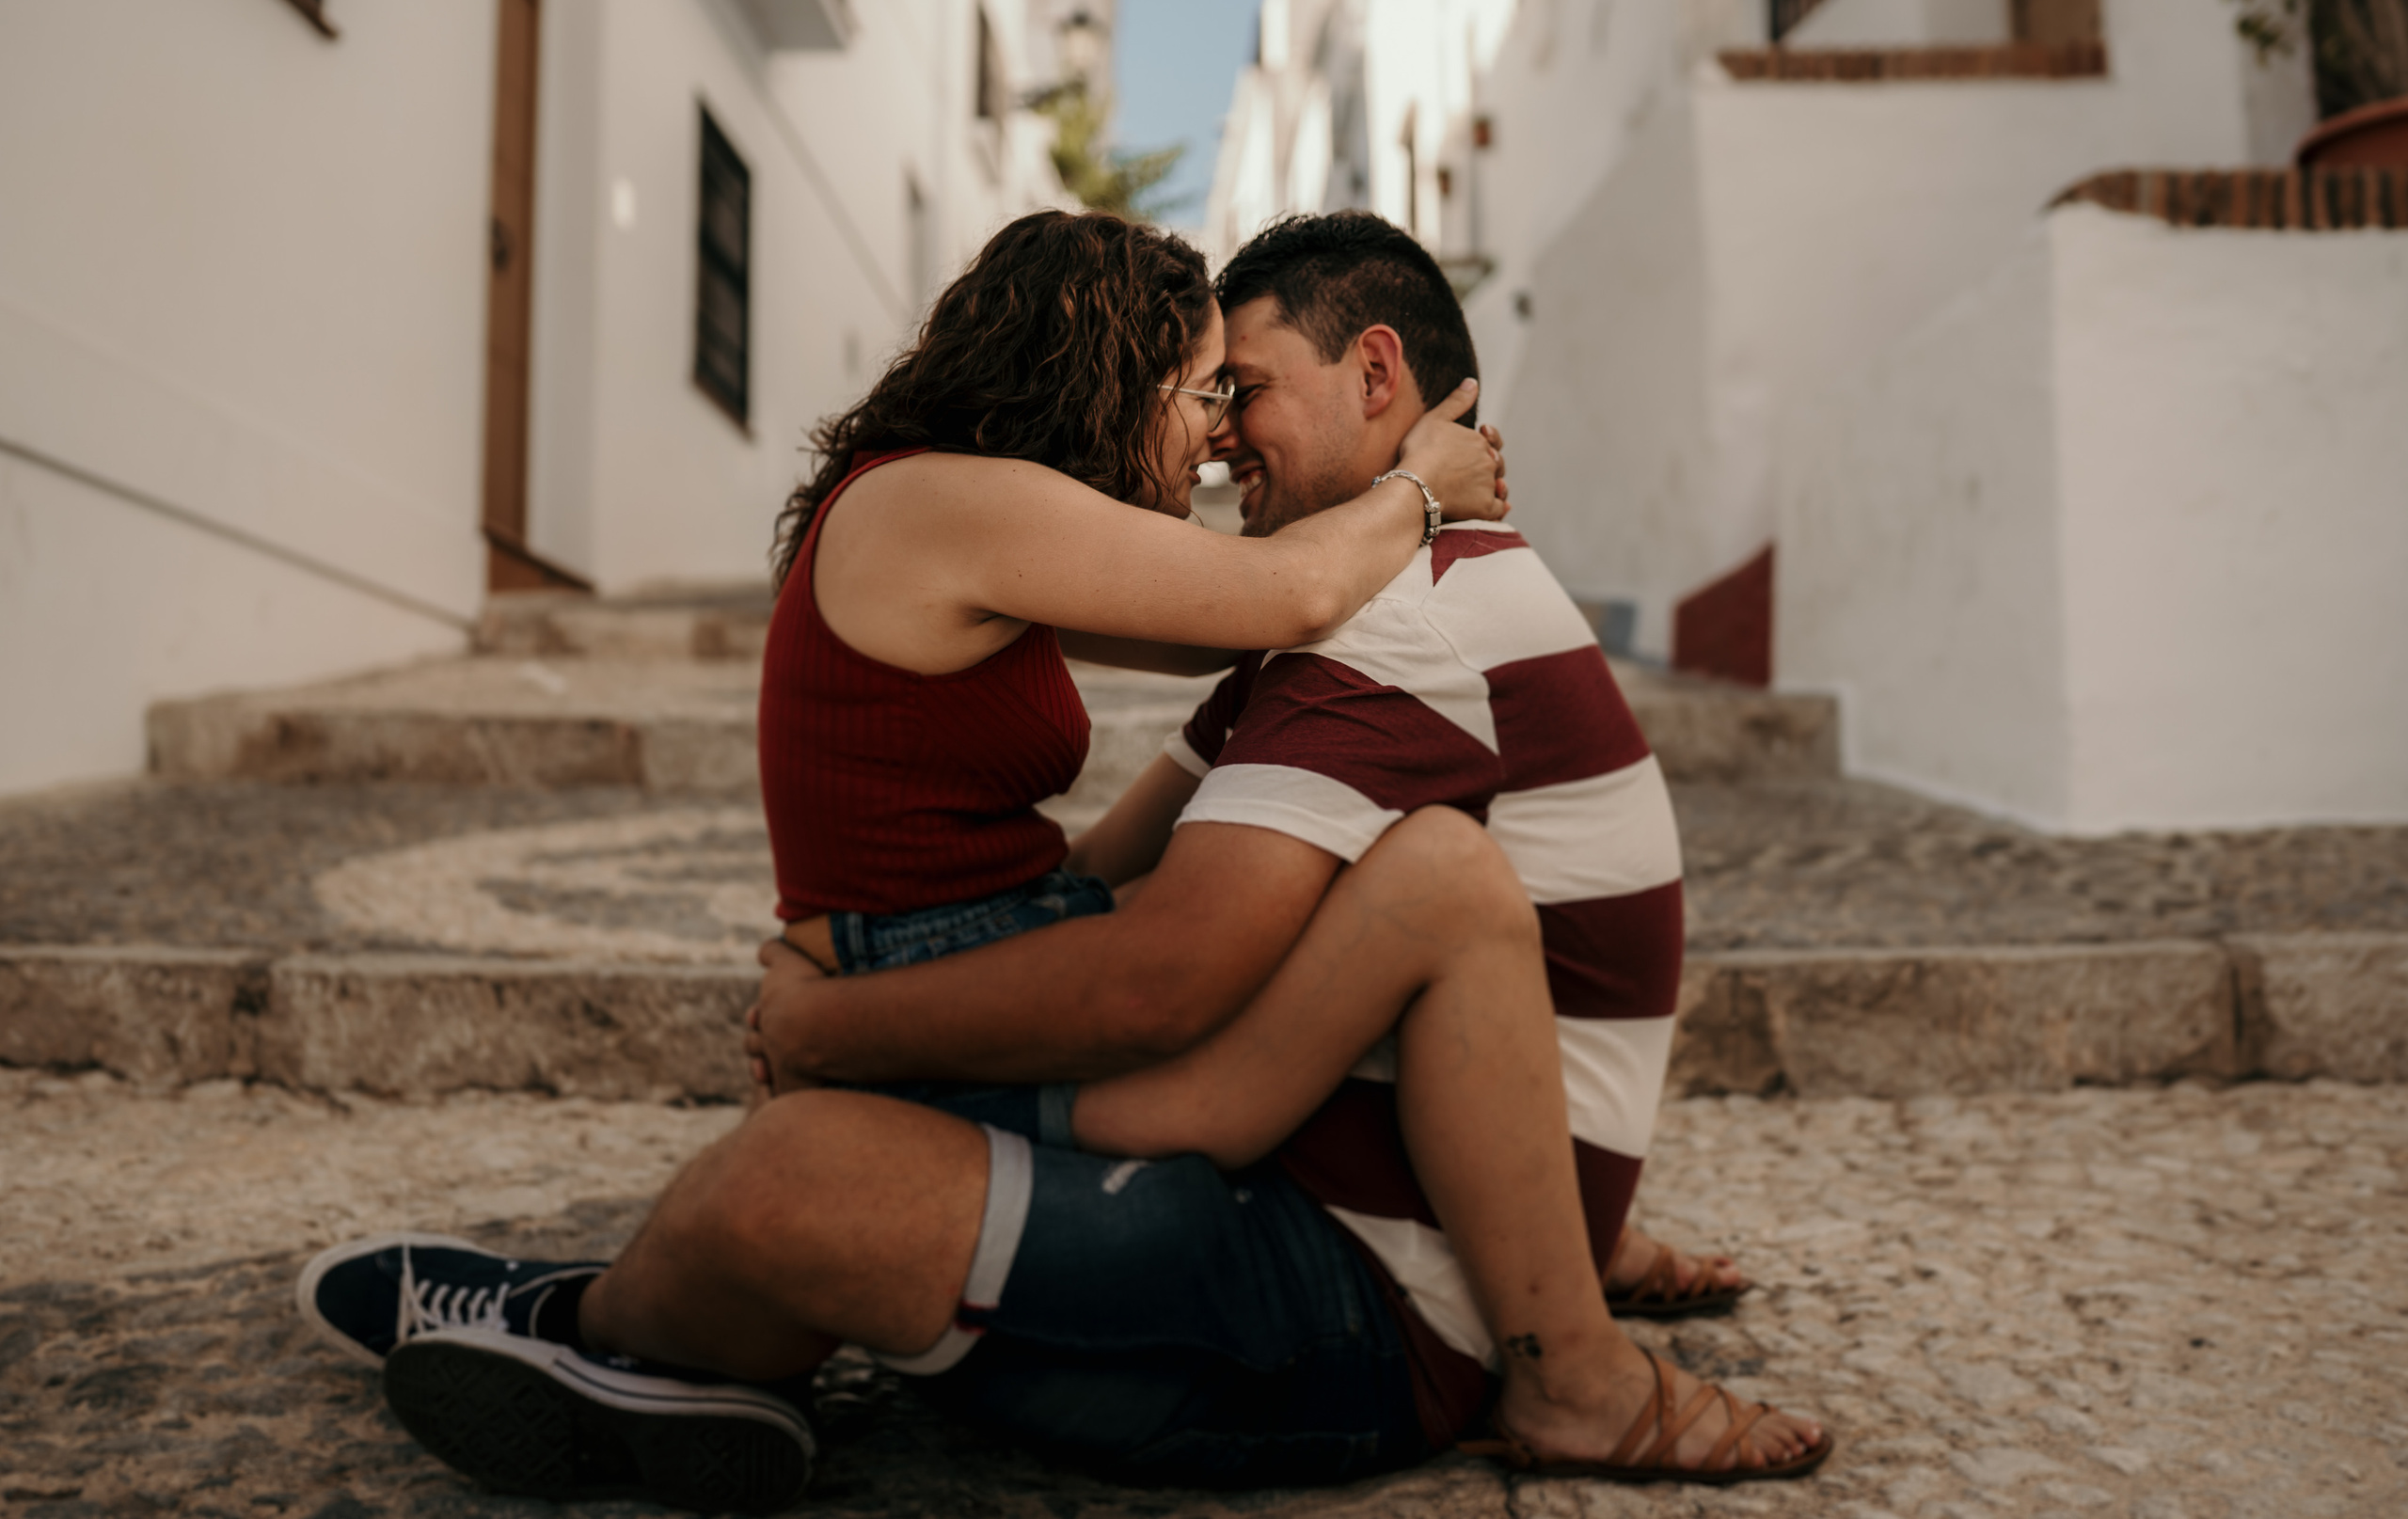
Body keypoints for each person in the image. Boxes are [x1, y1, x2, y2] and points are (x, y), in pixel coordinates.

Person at [293, 212, 1822, 1513]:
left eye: (1246, 391)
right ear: (1101, 370)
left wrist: (840, 1028)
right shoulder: (995, 519)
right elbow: (1246, 638)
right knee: (877, 1133)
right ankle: (635, 1354)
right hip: (1235, 1121)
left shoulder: (1376, 618)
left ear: (1376, 374)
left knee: (808, 1171)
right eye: (1199, 391)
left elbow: (1194, 835)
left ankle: (612, 1339)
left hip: (1364, 1284)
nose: (1218, 434)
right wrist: (1420, 489)